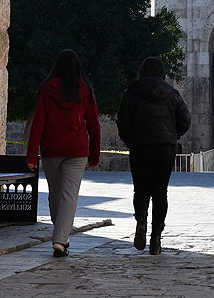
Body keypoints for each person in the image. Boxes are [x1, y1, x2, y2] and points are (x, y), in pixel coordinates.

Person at [26, 50, 101, 257]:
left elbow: (38, 124)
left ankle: (59, 239)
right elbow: (94, 126)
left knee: (56, 194)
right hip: (77, 150)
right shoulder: (86, 92)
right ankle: (61, 237)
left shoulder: (46, 90)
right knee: (68, 196)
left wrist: (32, 155)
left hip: (51, 150)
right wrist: (94, 156)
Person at [117, 57, 191, 255]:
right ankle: (156, 238)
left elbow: (122, 121)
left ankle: (141, 219)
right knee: (160, 193)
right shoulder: (172, 93)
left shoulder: (130, 93)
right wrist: (173, 135)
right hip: (165, 147)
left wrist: (130, 138)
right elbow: (185, 119)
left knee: (141, 190)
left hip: (140, 146)